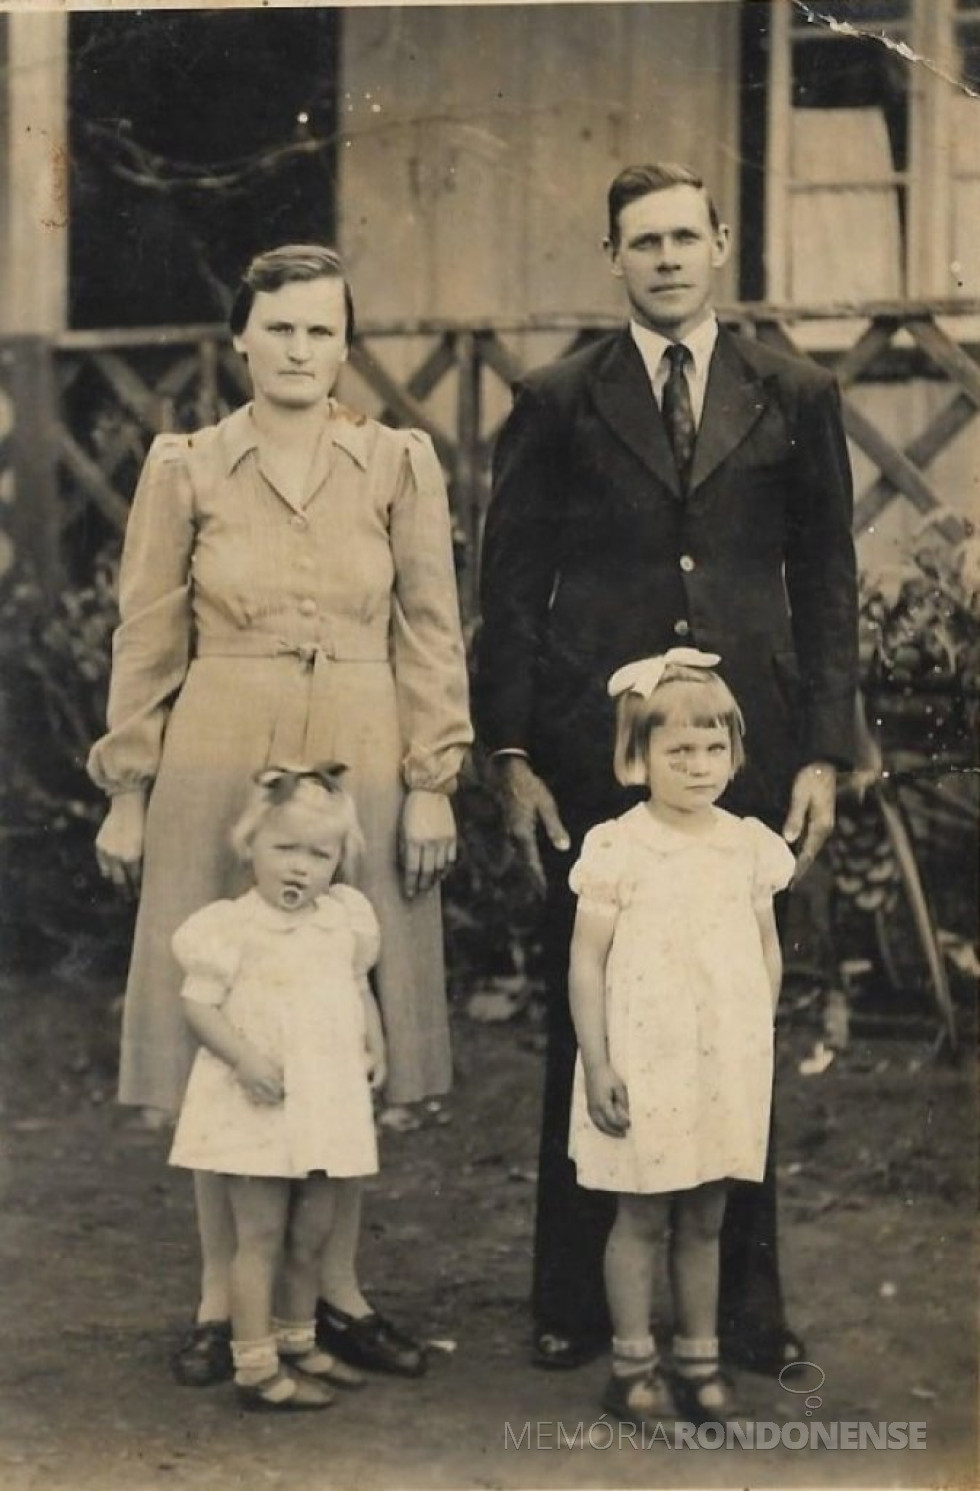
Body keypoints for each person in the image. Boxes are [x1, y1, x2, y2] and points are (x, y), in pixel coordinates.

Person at [476, 162, 858, 1373]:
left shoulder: (792, 391)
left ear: (721, 243)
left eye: (685, 237)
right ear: (612, 258)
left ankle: (740, 1313)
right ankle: (572, 1301)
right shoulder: (554, 398)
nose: (666, 258)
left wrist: (823, 754)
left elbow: (829, 586)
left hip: (738, 751)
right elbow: (509, 589)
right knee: (596, 1013)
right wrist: (513, 751)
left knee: (731, 1019)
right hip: (601, 754)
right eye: (641, 242)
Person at [89, 244, 473, 1386]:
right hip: (218, 747)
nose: (301, 350)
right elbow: (148, 633)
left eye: (323, 330)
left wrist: (431, 776)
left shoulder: (395, 462)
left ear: (345, 346)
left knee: (344, 1018)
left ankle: (333, 1291)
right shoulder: (190, 465)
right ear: (241, 340)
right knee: (234, 1017)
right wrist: (126, 791)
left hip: (360, 743)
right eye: (281, 328)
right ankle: (224, 1297)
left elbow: (429, 627)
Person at [567, 653, 795, 1426]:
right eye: (678, 751)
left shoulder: (748, 844)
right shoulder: (619, 847)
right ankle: (631, 1364)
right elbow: (587, 961)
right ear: (637, 757)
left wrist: (753, 1031)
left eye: (714, 748)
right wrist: (599, 1062)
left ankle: (699, 1356)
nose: (700, 766)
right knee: (642, 1215)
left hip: (720, 1060)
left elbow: (765, 948)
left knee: (705, 1212)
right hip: (644, 1055)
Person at [169, 765, 383, 1412]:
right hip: (258, 1099)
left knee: (312, 1228)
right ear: (250, 846)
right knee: (259, 1234)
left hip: (326, 1098)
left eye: (319, 854)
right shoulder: (229, 926)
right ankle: (256, 1365)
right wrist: (244, 1057)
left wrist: (375, 1041)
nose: (299, 868)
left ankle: (298, 1338)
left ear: (338, 860)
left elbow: (356, 986)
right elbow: (198, 1005)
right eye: (284, 848)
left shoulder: (344, 918)